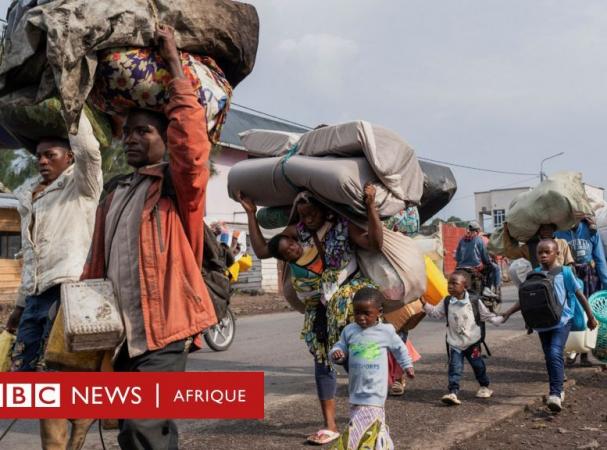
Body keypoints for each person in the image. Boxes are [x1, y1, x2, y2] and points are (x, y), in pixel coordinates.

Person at [81, 25, 218, 449]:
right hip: (122, 333)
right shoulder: (117, 194)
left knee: (143, 425)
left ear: (165, 139)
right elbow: (95, 268)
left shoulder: (178, 190)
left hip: (165, 331)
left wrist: (174, 61)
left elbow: (192, 147)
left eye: (145, 131)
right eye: (128, 132)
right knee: (137, 429)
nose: (132, 139)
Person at [238, 184, 383, 446]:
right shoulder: (297, 233)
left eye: (312, 214)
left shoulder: (342, 225)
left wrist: (371, 206)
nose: (307, 220)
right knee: (323, 361)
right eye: (303, 215)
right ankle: (329, 425)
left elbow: (374, 243)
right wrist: (250, 212)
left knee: (357, 362)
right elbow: (262, 251)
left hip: (349, 304)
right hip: (319, 308)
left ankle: (369, 416)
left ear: (325, 210)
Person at [5, 112, 102, 448]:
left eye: (51, 155)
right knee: (25, 380)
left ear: (70, 158)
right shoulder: (29, 198)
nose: (42, 162)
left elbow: (90, 150)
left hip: (69, 292)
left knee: (53, 378)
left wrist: (74, 106)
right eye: (39, 157)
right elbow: (29, 255)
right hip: (35, 296)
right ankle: (82, 415)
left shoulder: (81, 186)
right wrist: (19, 305)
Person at [503, 239, 597, 412]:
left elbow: (579, 295)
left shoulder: (566, 272)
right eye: (540, 253)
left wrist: (590, 317)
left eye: (547, 252)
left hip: (562, 321)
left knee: (554, 352)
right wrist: (508, 313)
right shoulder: (535, 274)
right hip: (542, 322)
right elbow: (525, 298)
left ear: (557, 254)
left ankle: (555, 392)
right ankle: (558, 385)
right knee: (549, 356)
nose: (543, 255)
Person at [330, 287, 414, 450]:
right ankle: (383, 445)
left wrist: (407, 365)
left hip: (375, 390)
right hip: (355, 389)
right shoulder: (349, 330)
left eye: (366, 313)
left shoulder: (385, 331)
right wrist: (337, 354)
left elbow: (400, 348)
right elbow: (340, 347)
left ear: (379, 312)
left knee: (360, 427)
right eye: (357, 313)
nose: (361, 318)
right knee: (372, 426)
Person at [422, 270, 504, 405]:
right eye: (449, 283)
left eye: (454, 283)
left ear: (465, 286)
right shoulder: (447, 301)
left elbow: (486, 316)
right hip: (455, 343)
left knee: (478, 366)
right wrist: (425, 305)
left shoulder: (474, 301)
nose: (450, 286)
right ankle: (453, 392)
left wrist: (500, 319)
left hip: (473, 343)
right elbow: (436, 313)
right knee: (454, 368)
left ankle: (484, 386)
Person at [555, 217, 607, 366]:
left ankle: (585, 353)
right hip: (569, 276)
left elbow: (600, 259)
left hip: (589, 277)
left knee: (589, 314)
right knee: (571, 314)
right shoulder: (559, 233)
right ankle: (571, 351)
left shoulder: (591, 232)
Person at [503, 223, 575, 268]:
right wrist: (506, 232)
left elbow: (569, 263)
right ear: (539, 231)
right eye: (543, 229)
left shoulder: (562, 243)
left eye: (548, 228)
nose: (546, 231)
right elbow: (510, 253)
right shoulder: (531, 247)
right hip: (540, 284)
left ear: (553, 229)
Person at [455, 221, 492, 294]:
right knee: (491, 268)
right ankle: (487, 289)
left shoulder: (461, 240)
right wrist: (487, 262)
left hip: (461, 267)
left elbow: (458, 257)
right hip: (474, 267)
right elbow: (484, 256)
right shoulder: (478, 239)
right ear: (477, 231)